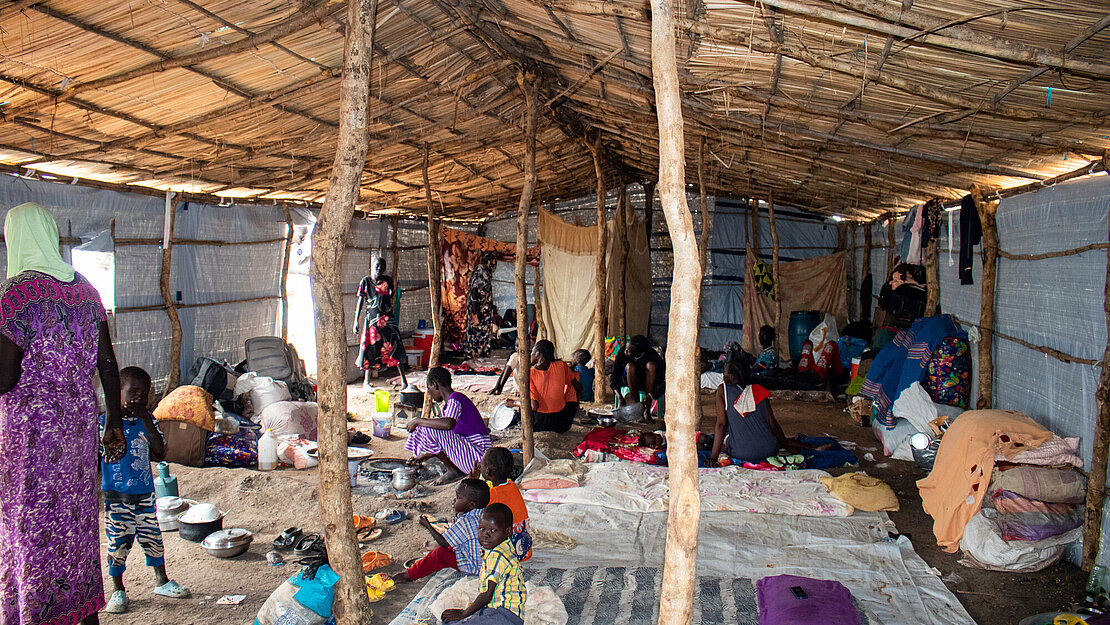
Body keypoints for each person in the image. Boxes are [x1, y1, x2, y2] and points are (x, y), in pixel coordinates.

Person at [0, 202, 127, 625]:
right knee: (74, 522)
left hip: (32, 437)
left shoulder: (16, 295)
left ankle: (36, 612)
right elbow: (107, 363)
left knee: (31, 526)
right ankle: (80, 611)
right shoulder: (85, 290)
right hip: (76, 429)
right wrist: (112, 422)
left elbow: (3, 376)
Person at [101, 367, 190, 614]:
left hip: (145, 496)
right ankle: (118, 591)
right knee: (117, 545)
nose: (139, 397)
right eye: (133, 391)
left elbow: (160, 451)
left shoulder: (146, 421)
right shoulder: (104, 423)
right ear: (115, 393)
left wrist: (145, 418)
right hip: (115, 496)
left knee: (153, 540)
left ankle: (161, 580)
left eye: (145, 393)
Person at [709, 359, 826, 466]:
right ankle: (811, 447)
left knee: (726, 440)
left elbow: (721, 425)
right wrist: (785, 443)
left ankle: (803, 446)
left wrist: (713, 457)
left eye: (725, 372)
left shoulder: (722, 390)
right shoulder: (759, 390)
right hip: (770, 450)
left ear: (731, 376)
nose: (723, 375)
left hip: (742, 453)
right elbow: (773, 425)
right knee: (774, 439)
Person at [441, 503, 526, 625]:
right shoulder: (501, 547)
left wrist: (463, 613)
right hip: (498, 612)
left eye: (493, 530)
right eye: (482, 529)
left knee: (455, 620)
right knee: (449, 620)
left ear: (508, 531)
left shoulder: (497, 555)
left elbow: (486, 595)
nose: (486, 535)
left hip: (504, 615)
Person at [405, 367, 492, 484]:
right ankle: (453, 469)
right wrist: (426, 455)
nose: (429, 393)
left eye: (428, 388)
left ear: (435, 385)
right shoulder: (453, 402)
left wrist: (418, 421)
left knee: (426, 427)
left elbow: (448, 424)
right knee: (433, 425)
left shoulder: (455, 399)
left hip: (479, 461)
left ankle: (453, 470)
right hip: (477, 457)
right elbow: (450, 438)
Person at [400, 479, 490, 582]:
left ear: (471, 505)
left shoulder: (466, 522)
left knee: (440, 553)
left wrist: (428, 525)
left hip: (474, 567)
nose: (454, 500)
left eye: (458, 498)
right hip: (486, 564)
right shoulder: (483, 513)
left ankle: (410, 574)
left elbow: (444, 543)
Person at [353, 256, 404, 387]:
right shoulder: (365, 281)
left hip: (387, 319)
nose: (379, 268)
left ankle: (404, 381)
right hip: (372, 321)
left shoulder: (387, 280)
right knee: (370, 349)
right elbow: (360, 302)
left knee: (395, 346)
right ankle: (366, 381)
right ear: (372, 266)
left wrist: (394, 286)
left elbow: (391, 295)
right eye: (377, 266)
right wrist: (356, 321)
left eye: (382, 266)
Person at [474, 447, 531, 561]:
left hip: (508, 554)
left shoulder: (492, 494)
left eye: (482, 464)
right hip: (524, 550)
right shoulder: (512, 485)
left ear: (487, 471)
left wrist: (474, 480)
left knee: (473, 521)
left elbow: (473, 504)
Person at [528, 340, 582, 434]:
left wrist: (514, 403)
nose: (530, 355)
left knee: (523, 402)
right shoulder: (561, 366)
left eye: (532, 352)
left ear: (537, 353)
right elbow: (579, 388)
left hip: (539, 424)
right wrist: (576, 405)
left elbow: (534, 406)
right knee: (572, 383)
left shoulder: (530, 373)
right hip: (561, 423)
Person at [610, 335, 666, 419]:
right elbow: (614, 377)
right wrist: (620, 397)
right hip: (628, 381)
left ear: (639, 352)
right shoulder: (622, 352)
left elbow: (664, 383)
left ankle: (646, 408)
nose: (625, 351)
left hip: (648, 384)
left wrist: (651, 396)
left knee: (651, 366)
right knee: (629, 366)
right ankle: (637, 406)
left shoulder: (652, 356)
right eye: (626, 348)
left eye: (629, 351)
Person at [464, 252, 498, 359]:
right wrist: (475, 313)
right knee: (476, 332)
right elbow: (474, 291)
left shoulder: (486, 272)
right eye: (493, 262)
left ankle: (481, 354)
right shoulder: (481, 271)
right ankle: (474, 354)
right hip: (478, 310)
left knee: (483, 333)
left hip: (483, 311)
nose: (494, 265)